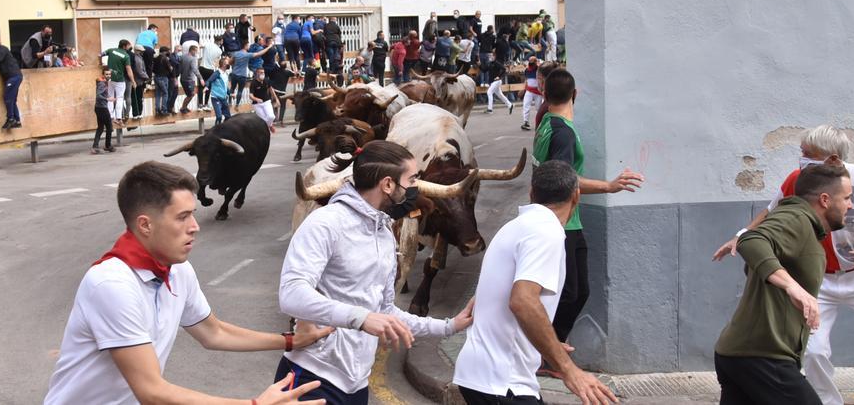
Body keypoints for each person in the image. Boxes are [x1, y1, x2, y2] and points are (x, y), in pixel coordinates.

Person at [43, 161, 331, 405]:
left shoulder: (177, 270)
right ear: (145, 224)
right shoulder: (111, 284)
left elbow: (213, 332)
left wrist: (291, 340)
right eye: (182, 217)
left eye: (193, 214)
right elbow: (151, 391)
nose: (195, 226)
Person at [712, 126, 854, 405]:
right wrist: (740, 236)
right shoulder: (800, 180)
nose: (801, 158)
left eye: (808, 154)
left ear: (832, 160)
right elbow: (771, 214)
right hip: (819, 281)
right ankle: (829, 401)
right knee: (814, 353)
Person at [278, 140, 476, 403]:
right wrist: (361, 318)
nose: (416, 186)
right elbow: (291, 295)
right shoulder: (325, 223)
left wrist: (449, 326)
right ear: (387, 185)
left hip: (357, 384)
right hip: (311, 377)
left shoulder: (383, 232)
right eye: (413, 178)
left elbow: (384, 312)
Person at [453, 161, 617, 405]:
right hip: (503, 383)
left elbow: (502, 301)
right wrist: (568, 369)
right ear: (576, 195)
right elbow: (523, 301)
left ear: (531, 193)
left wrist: (546, 340)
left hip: (486, 377)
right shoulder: (545, 232)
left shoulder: (516, 227)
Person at [714, 163, 853, 405]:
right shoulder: (796, 218)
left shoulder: (803, 225)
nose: (850, 205)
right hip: (763, 357)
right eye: (847, 198)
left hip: (741, 354)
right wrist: (793, 287)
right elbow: (751, 240)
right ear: (825, 199)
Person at [532, 68, 644, 357]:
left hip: (560, 220)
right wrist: (609, 186)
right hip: (563, 222)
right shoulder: (563, 133)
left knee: (576, 292)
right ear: (575, 95)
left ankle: (548, 350)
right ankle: (548, 352)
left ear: (544, 93)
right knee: (570, 293)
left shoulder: (545, 124)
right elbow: (563, 180)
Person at [0, 37, 24, 130]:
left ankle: (10, 118)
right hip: (14, 77)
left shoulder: (2, 49)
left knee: (7, 98)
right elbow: (3, 62)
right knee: (12, 99)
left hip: (13, 77)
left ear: (0, 42)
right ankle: (17, 121)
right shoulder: (1, 51)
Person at [230, 40, 271, 108]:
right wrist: (268, 47)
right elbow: (259, 54)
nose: (249, 46)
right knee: (240, 90)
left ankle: (229, 102)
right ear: (245, 46)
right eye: (248, 45)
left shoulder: (236, 53)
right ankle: (237, 105)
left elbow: (230, 62)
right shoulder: (247, 54)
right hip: (242, 75)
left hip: (234, 74)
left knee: (232, 88)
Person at [103, 40, 135, 125]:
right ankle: (119, 118)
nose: (129, 48)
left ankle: (110, 117)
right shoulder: (126, 56)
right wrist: (133, 81)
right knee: (120, 98)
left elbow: (100, 54)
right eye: (128, 46)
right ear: (124, 46)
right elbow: (129, 70)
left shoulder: (111, 50)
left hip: (110, 78)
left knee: (110, 97)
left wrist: (100, 62)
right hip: (120, 80)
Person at [92, 67, 116, 154]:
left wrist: (109, 97)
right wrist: (108, 99)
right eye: (106, 74)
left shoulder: (104, 82)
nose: (108, 76)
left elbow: (102, 93)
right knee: (109, 127)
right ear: (103, 74)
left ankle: (95, 146)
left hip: (98, 107)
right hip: (102, 108)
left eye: (109, 74)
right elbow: (98, 95)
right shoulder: (102, 83)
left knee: (100, 128)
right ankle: (108, 145)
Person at [198, 33, 223, 111]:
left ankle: (200, 105)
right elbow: (216, 62)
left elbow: (199, 46)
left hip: (202, 67)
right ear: (221, 41)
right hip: (210, 70)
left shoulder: (207, 44)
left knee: (200, 87)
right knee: (208, 87)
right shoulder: (219, 51)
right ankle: (206, 104)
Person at [178, 44, 203, 114]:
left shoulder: (182, 56)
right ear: (192, 50)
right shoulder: (192, 58)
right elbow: (195, 70)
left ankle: (185, 107)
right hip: (189, 80)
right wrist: (201, 78)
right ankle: (183, 108)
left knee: (191, 94)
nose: (196, 53)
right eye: (196, 51)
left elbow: (179, 64)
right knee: (191, 95)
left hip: (182, 79)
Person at [128, 45, 150, 120]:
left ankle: (138, 113)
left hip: (139, 81)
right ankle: (137, 114)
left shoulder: (139, 58)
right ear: (137, 51)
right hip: (137, 81)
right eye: (141, 51)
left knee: (138, 98)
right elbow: (139, 71)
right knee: (136, 99)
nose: (142, 52)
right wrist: (147, 77)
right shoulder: (137, 59)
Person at [520, 57, 542, 132]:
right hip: (529, 90)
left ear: (536, 62)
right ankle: (526, 122)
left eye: (533, 62)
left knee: (538, 108)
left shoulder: (539, 70)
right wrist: (524, 89)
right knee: (526, 105)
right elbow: (526, 80)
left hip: (538, 91)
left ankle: (540, 123)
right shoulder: (527, 70)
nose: (531, 64)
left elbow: (542, 80)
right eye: (530, 62)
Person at [151, 45, 174, 117]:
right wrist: (171, 68)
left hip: (156, 77)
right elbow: (170, 69)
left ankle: (157, 110)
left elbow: (153, 69)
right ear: (164, 52)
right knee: (165, 93)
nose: (168, 53)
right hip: (163, 78)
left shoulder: (155, 58)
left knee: (157, 94)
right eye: (167, 51)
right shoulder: (165, 59)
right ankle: (164, 110)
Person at [209, 56, 232, 125]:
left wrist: (230, 93)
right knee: (219, 116)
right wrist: (206, 87)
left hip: (223, 98)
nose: (229, 65)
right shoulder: (217, 73)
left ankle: (223, 128)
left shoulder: (225, 74)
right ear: (223, 65)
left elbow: (225, 87)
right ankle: (216, 129)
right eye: (227, 63)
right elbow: (209, 80)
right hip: (216, 98)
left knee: (228, 116)